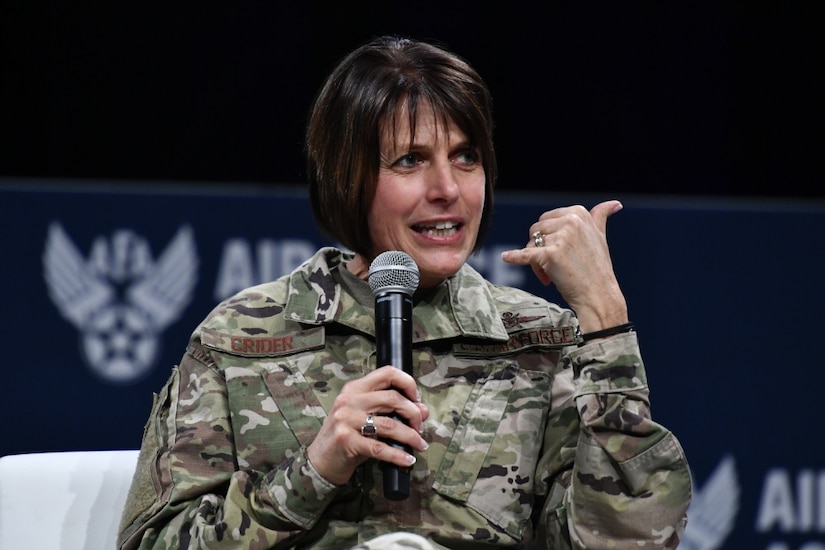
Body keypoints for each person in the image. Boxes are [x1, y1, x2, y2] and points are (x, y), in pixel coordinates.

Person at [117, 35, 691, 549]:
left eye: (465, 157)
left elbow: (630, 543)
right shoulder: (242, 338)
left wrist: (604, 318)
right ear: (348, 176)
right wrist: (314, 470)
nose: (447, 188)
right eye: (411, 160)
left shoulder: (539, 342)